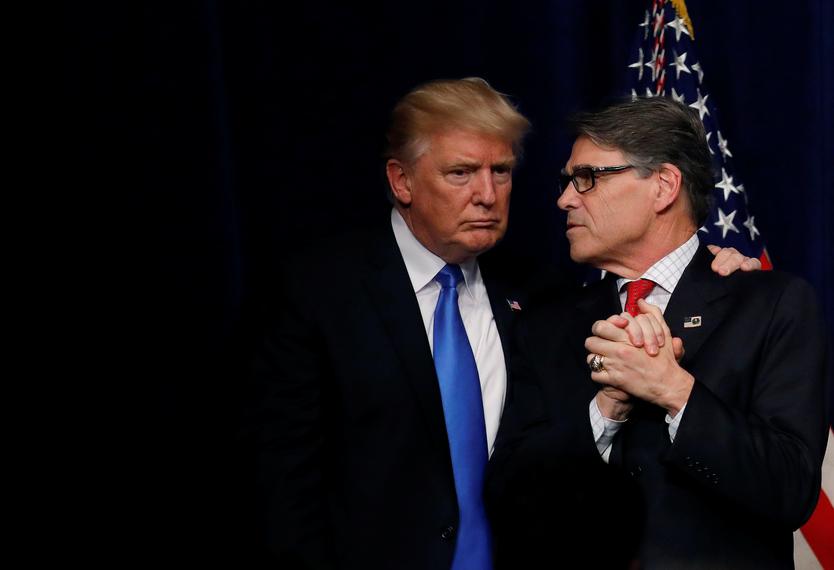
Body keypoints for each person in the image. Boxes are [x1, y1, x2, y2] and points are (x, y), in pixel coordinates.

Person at [252, 79, 759, 569]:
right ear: (400, 180)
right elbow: (279, 486)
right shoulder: (316, 293)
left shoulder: (542, 294)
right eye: (461, 173)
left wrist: (705, 267)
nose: (487, 195)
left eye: (502, 171)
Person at [487, 97, 830, 569]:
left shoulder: (771, 305)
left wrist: (673, 390)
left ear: (664, 186)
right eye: (567, 181)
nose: (564, 199)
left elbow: (790, 491)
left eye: (587, 178)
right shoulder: (545, 324)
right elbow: (510, 495)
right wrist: (606, 409)